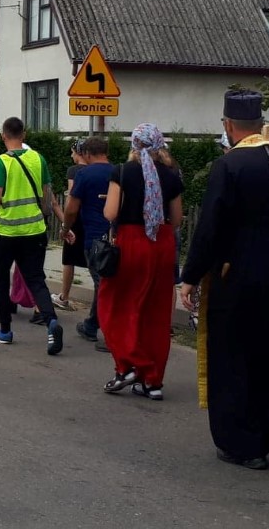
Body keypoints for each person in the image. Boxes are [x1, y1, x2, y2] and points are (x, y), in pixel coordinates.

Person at [179, 89, 269, 470]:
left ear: (228, 125)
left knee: (233, 358)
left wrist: (190, 277)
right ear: (261, 123)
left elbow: (210, 227)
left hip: (236, 274)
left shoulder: (229, 166)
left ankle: (244, 444)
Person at [99, 124, 184, 401]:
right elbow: (177, 219)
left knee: (116, 305)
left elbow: (111, 211)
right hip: (162, 244)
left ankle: (129, 365)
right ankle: (153, 381)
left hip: (132, 242)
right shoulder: (171, 175)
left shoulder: (123, 172)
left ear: (134, 145)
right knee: (156, 313)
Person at [0, 118, 62, 354]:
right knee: (36, 279)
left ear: (3, 136)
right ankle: (51, 321)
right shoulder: (38, 159)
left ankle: (5, 330)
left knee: (0, 278)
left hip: (6, 231)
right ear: (24, 135)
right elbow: (47, 196)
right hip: (35, 230)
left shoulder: (1, 162)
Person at [65, 137, 114, 346]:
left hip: (94, 238)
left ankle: (108, 336)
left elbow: (72, 208)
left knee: (103, 286)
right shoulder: (118, 172)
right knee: (104, 284)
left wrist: (65, 228)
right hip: (115, 237)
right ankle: (91, 326)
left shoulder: (84, 174)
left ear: (86, 154)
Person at [53, 140, 88, 312]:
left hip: (75, 219)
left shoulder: (74, 171)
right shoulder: (95, 170)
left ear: (79, 152)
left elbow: (71, 196)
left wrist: (66, 223)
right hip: (91, 219)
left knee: (69, 260)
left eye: (73, 152)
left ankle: (64, 297)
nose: (71, 155)